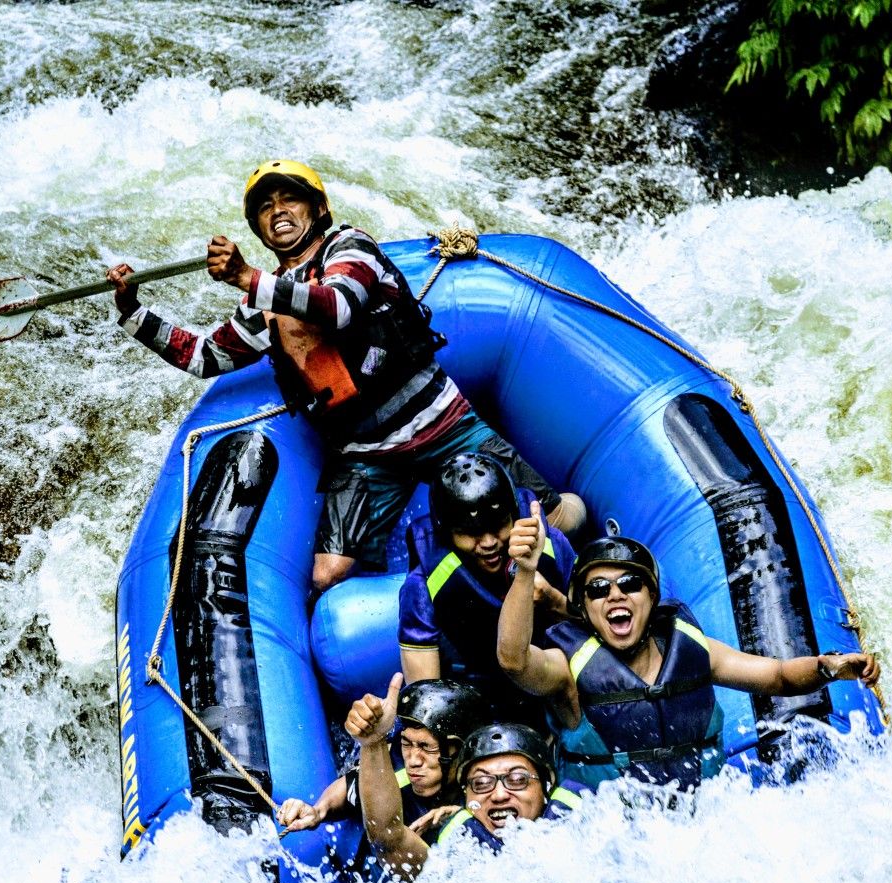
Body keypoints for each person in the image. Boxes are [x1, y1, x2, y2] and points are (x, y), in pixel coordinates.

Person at [107, 158, 583, 591]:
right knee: (327, 574)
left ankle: (581, 519)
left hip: (442, 423)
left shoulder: (351, 246)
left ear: (318, 208)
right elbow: (203, 356)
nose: (278, 212)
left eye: (290, 199)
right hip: (366, 453)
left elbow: (338, 305)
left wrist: (248, 277)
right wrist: (133, 311)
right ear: (259, 228)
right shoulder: (261, 305)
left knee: (556, 516)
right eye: (266, 207)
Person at [496, 505, 881, 799]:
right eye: (598, 589)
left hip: (698, 823)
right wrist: (526, 571)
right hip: (609, 833)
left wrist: (829, 668)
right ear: (584, 609)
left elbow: (778, 677)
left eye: (629, 583)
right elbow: (514, 661)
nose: (615, 595)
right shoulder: (568, 671)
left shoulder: (695, 651)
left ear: (652, 597)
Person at [399, 451, 577, 728]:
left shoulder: (551, 545)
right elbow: (427, 699)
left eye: (498, 526)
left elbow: (595, 635)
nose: (489, 543)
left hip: (551, 679)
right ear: (447, 532)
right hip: (480, 699)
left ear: (513, 515)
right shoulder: (421, 587)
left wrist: (552, 600)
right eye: (471, 533)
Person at [345, 674, 570, 881]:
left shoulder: (578, 823)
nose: (499, 794)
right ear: (468, 796)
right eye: (481, 783)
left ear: (546, 785)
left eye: (517, 779)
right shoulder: (458, 853)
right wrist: (373, 743)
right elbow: (389, 839)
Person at [278, 677, 489, 883]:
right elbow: (351, 786)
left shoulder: (483, 807)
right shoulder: (398, 769)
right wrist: (318, 811)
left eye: (427, 747)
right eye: (407, 743)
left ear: (459, 750)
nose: (414, 761)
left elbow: (389, 838)